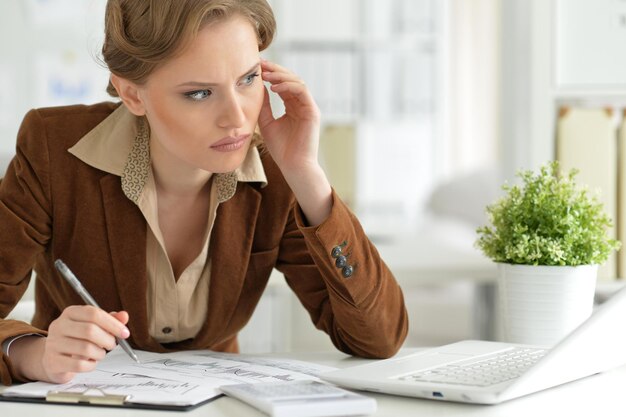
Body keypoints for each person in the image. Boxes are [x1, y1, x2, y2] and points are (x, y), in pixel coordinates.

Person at [0, 0, 408, 385]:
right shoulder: (52, 150)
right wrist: (30, 353)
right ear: (131, 94)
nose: (236, 118)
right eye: (199, 93)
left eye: (248, 79)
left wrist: (307, 176)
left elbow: (379, 339)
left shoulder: (279, 170)